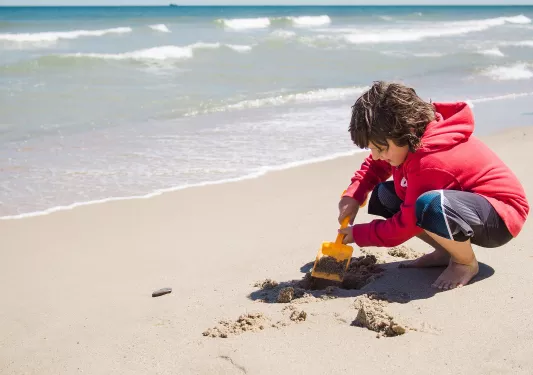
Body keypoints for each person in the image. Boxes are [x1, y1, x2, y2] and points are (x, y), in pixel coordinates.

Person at [337, 81, 529, 290]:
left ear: (406, 132)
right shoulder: (407, 140)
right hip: (462, 204)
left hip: (500, 217)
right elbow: (374, 166)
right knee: (385, 196)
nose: (375, 155)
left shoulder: (429, 162)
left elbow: (406, 225)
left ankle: (464, 262)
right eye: (372, 148)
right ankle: (446, 250)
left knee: (429, 206)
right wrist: (354, 194)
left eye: (380, 148)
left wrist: (359, 234)